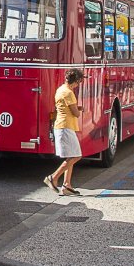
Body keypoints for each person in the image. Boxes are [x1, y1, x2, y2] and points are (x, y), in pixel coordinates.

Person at [43, 68, 85, 196]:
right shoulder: (69, 93)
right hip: (65, 127)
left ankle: (66, 185)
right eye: (79, 82)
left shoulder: (60, 89)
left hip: (62, 126)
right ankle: (53, 177)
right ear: (76, 81)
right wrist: (79, 110)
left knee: (71, 155)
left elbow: (65, 108)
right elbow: (75, 113)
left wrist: (76, 108)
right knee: (76, 156)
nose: (78, 84)